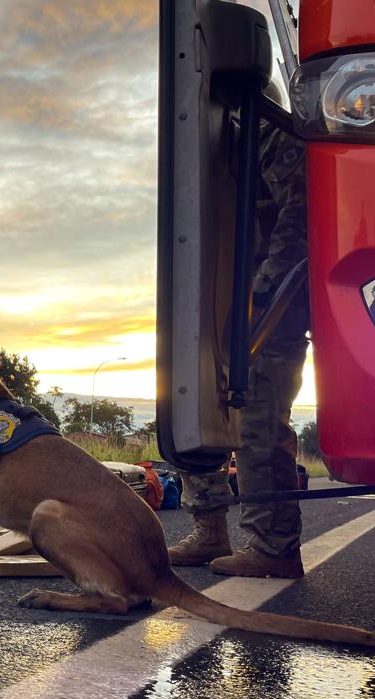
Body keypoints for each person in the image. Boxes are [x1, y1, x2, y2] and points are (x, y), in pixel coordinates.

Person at [169, 119, 309, 579]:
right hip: (221, 303)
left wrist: (266, 290)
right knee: (189, 411)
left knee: (259, 422)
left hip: (269, 306)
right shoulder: (209, 144)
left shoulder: (267, 130)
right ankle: (209, 528)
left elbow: (302, 212)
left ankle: (274, 546)